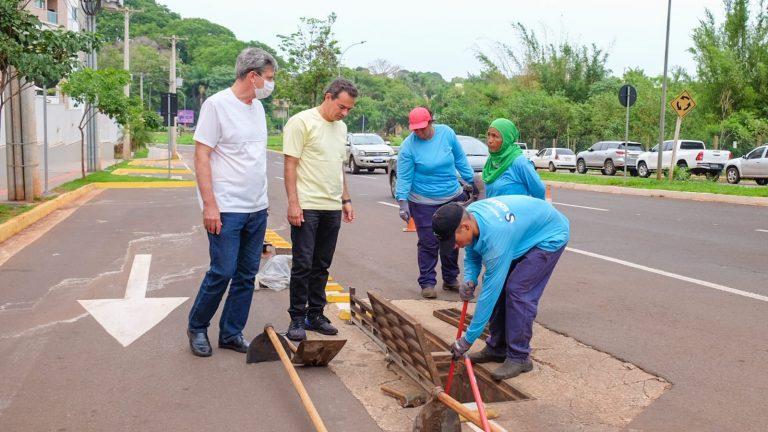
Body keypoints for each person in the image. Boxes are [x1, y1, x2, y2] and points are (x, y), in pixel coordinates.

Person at [187, 48, 277, 357]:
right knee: (222, 271)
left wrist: (263, 202)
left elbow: (252, 159)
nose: (270, 84)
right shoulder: (217, 105)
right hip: (226, 208)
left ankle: (231, 333)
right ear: (253, 77)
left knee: (246, 276)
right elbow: (201, 154)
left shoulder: (257, 109)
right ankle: (198, 327)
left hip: (256, 208)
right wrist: (209, 205)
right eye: (268, 78)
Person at [432, 196, 569, 380]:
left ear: (465, 227)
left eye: (454, 241)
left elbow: (489, 295)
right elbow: (472, 253)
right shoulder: (472, 220)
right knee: (503, 287)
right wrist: (470, 279)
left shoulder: (495, 237)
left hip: (549, 236)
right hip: (521, 233)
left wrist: (467, 340)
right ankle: (497, 348)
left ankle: (520, 357)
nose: (455, 246)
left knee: (518, 291)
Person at [283, 78, 357, 342]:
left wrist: (345, 200)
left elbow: (338, 167)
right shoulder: (301, 122)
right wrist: (293, 203)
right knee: (303, 264)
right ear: (328, 97)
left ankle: (315, 314)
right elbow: (290, 164)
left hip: (331, 205)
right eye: (341, 106)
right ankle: (296, 318)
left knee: (322, 264)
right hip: (307, 205)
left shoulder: (342, 127)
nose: (344, 113)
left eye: (349, 109)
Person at [395, 107, 478, 299]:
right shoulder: (409, 147)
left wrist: (472, 181)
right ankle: (427, 282)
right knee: (429, 242)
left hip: (451, 196)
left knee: (453, 239)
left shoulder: (446, 133)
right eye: (415, 129)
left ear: (431, 122)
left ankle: (450, 279)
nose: (419, 133)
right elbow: (404, 177)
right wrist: (402, 202)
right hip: (422, 201)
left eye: (422, 128)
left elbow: (460, 159)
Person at [483, 118, 545, 199]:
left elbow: (539, 190)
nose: (490, 140)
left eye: (495, 136)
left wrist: (534, 210)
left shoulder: (519, 162)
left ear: (507, 139)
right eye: (489, 135)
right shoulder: (491, 160)